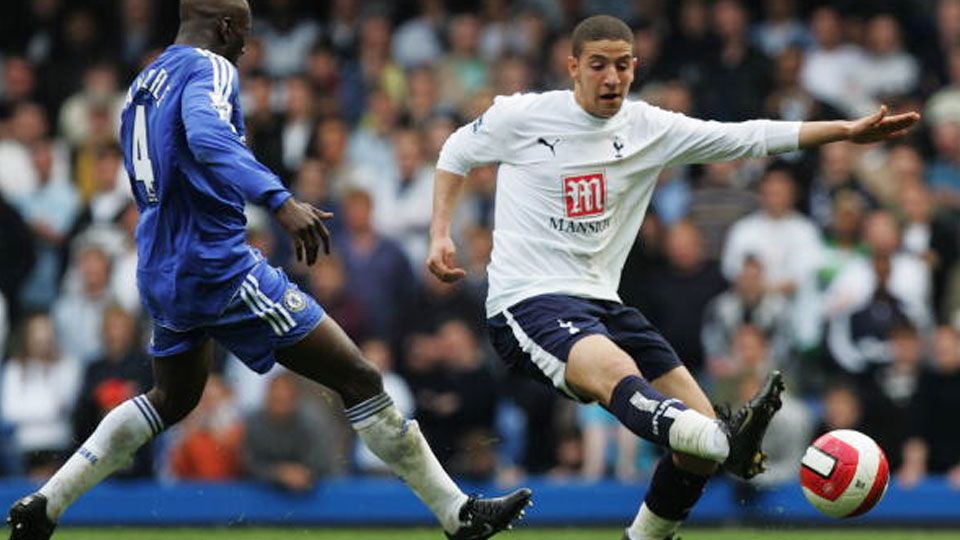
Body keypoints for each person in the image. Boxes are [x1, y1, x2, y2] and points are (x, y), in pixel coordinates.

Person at [5, 1, 530, 539]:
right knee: (359, 377)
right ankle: (456, 514)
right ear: (227, 27)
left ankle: (46, 504)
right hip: (218, 265)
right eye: (245, 35)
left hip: (161, 264)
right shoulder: (210, 67)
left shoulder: (144, 81)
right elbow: (208, 137)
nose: (246, 48)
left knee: (172, 398)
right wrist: (279, 201)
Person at [427, 15, 919, 540]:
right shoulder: (523, 115)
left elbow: (747, 137)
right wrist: (440, 234)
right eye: (598, 66)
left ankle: (651, 529)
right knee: (638, 385)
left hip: (602, 305)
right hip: (527, 301)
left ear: (635, 67)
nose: (611, 77)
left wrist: (843, 131)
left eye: (622, 65)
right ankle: (729, 441)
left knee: (697, 445)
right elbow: (456, 151)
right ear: (573, 67)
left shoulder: (649, 127)